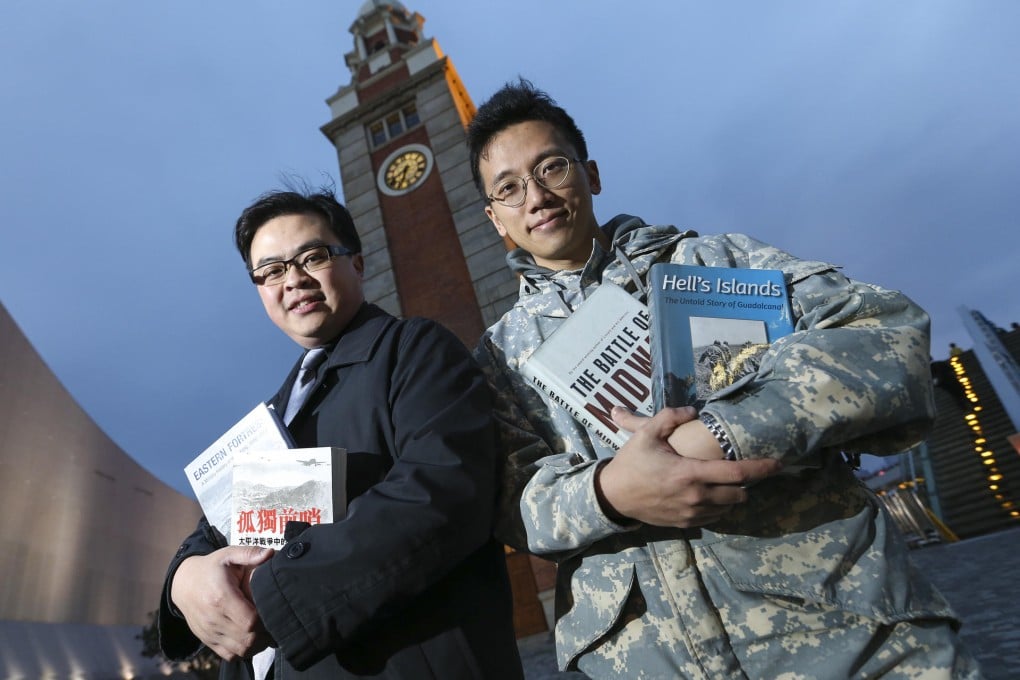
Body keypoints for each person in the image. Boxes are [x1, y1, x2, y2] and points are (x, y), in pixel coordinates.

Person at [470, 80, 981, 679]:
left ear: (592, 174)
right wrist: (610, 492)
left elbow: (883, 333)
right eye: (509, 188)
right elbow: (508, 498)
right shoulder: (500, 358)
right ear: (494, 217)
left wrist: (724, 430)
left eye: (552, 167)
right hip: (650, 660)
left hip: (846, 632)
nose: (536, 196)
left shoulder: (710, 261)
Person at [157, 187, 524, 679]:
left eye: (313, 256)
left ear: (357, 263)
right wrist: (183, 580)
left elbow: (442, 494)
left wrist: (273, 593)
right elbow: (216, 529)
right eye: (270, 271)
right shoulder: (274, 413)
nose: (294, 280)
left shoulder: (416, 350)